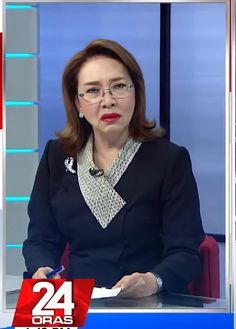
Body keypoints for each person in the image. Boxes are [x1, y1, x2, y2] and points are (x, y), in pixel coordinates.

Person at [23, 39, 205, 298]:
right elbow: (40, 238)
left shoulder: (169, 160)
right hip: (76, 303)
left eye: (119, 87)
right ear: (78, 103)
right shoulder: (57, 156)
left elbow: (187, 252)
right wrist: (41, 268)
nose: (107, 101)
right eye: (93, 91)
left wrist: (154, 280)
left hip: (148, 304)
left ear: (136, 93)